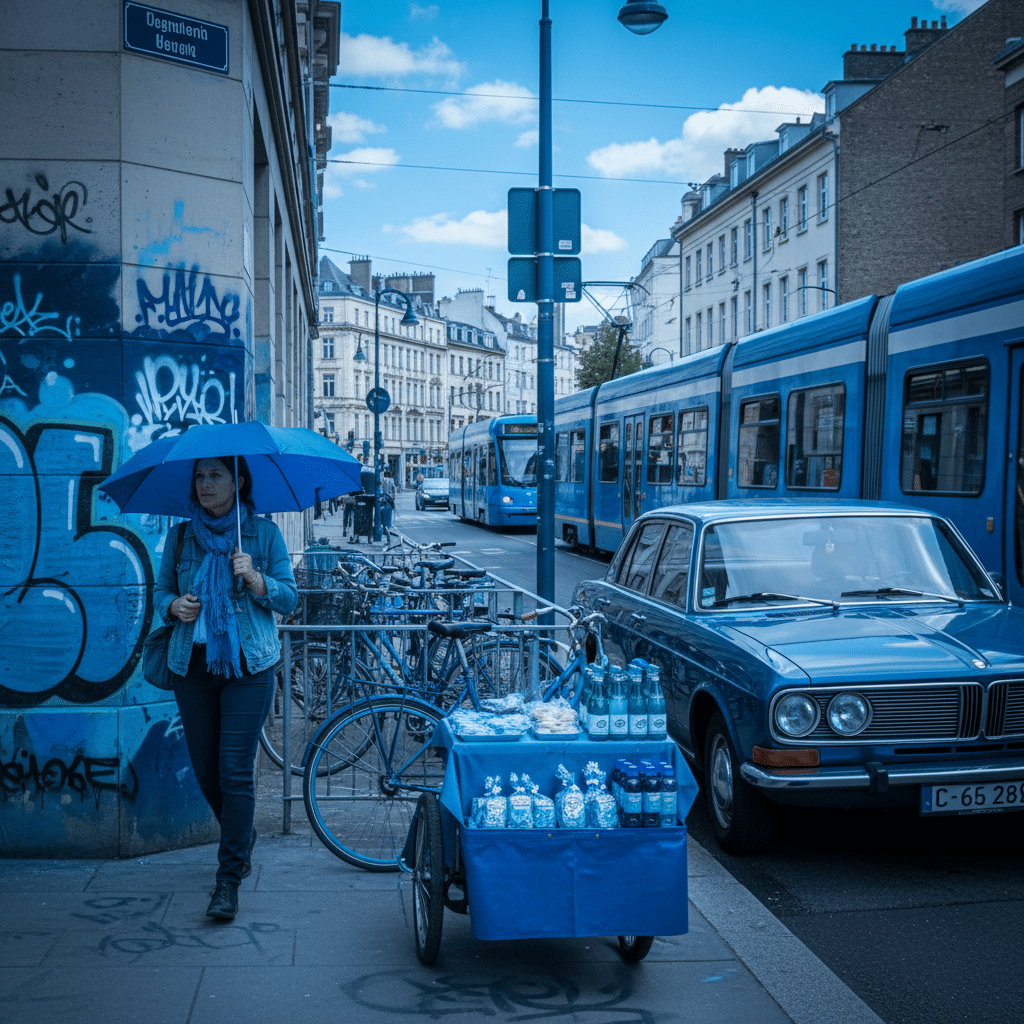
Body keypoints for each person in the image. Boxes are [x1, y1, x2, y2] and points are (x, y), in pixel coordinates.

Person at [154, 456, 297, 921]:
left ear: (238, 481)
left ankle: (228, 878)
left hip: (249, 665)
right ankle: (242, 835)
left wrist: (256, 579)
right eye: (199, 476)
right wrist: (174, 605)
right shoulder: (180, 538)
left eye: (215, 475)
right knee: (206, 771)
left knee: (234, 771)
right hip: (193, 664)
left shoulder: (263, 536)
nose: (205, 484)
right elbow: (158, 593)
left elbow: (290, 599)